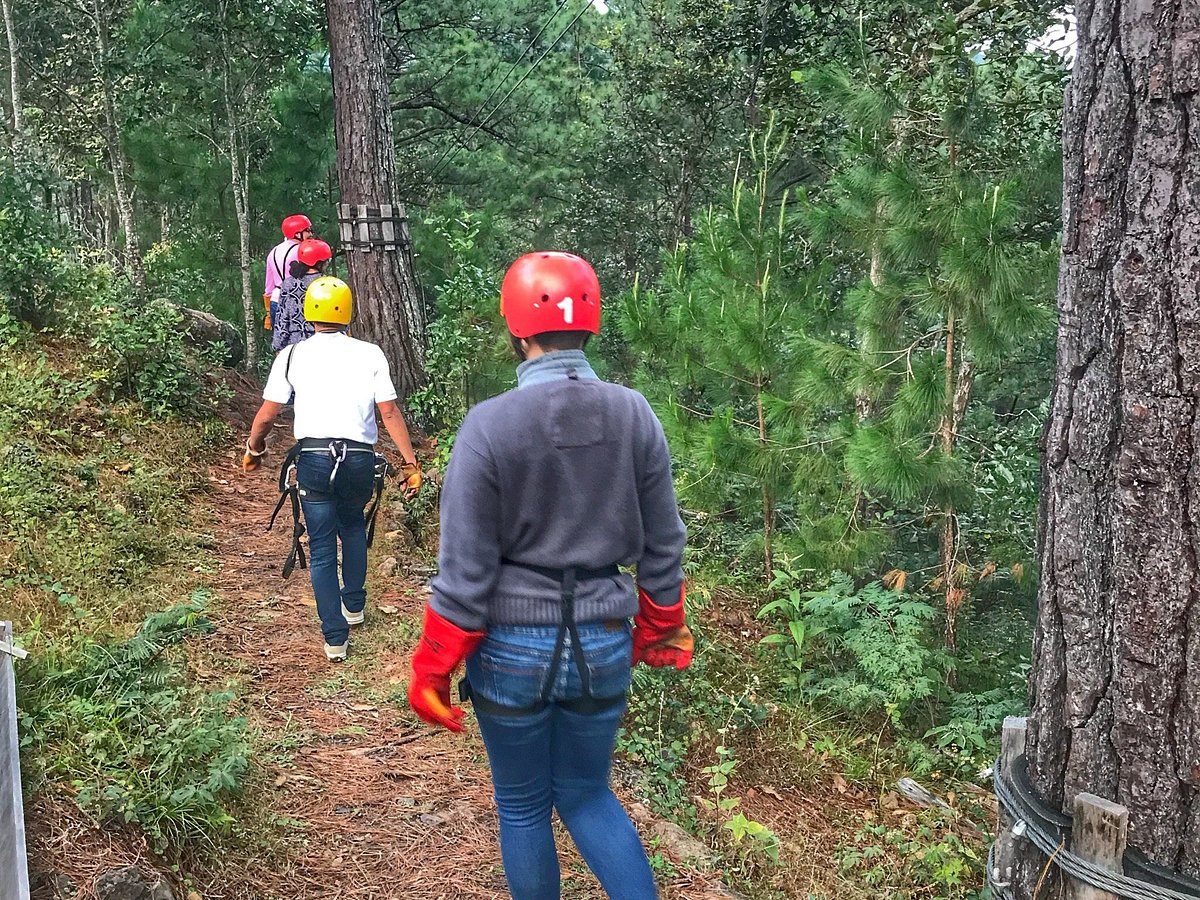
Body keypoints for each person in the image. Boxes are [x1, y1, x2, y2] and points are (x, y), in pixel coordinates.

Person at [407, 252, 693, 900]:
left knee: (524, 804)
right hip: (602, 643)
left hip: (510, 649)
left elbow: (465, 572)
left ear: (516, 328)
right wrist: (662, 625)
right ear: (591, 325)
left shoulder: (488, 426)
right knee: (588, 794)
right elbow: (664, 544)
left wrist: (433, 668)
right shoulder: (635, 415)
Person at [242, 276, 423, 661]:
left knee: (322, 547)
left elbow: (267, 415)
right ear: (348, 311)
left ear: (309, 312)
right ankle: (353, 605)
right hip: (358, 459)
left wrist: (254, 449)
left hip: (315, 460)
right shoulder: (370, 352)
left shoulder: (291, 355)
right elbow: (388, 411)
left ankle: (335, 638)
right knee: (353, 526)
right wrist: (409, 464)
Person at [272, 238, 331, 352]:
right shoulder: (328, 284)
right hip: (323, 344)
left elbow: (282, 319)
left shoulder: (289, 283)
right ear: (322, 262)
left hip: (295, 345)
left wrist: (278, 346)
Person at [263, 214, 314, 330]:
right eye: (308, 230)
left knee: (282, 344)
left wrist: (268, 313)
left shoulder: (273, 252)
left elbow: (269, 287)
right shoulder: (302, 251)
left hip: (276, 300)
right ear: (297, 234)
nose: (311, 234)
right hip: (298, 301)